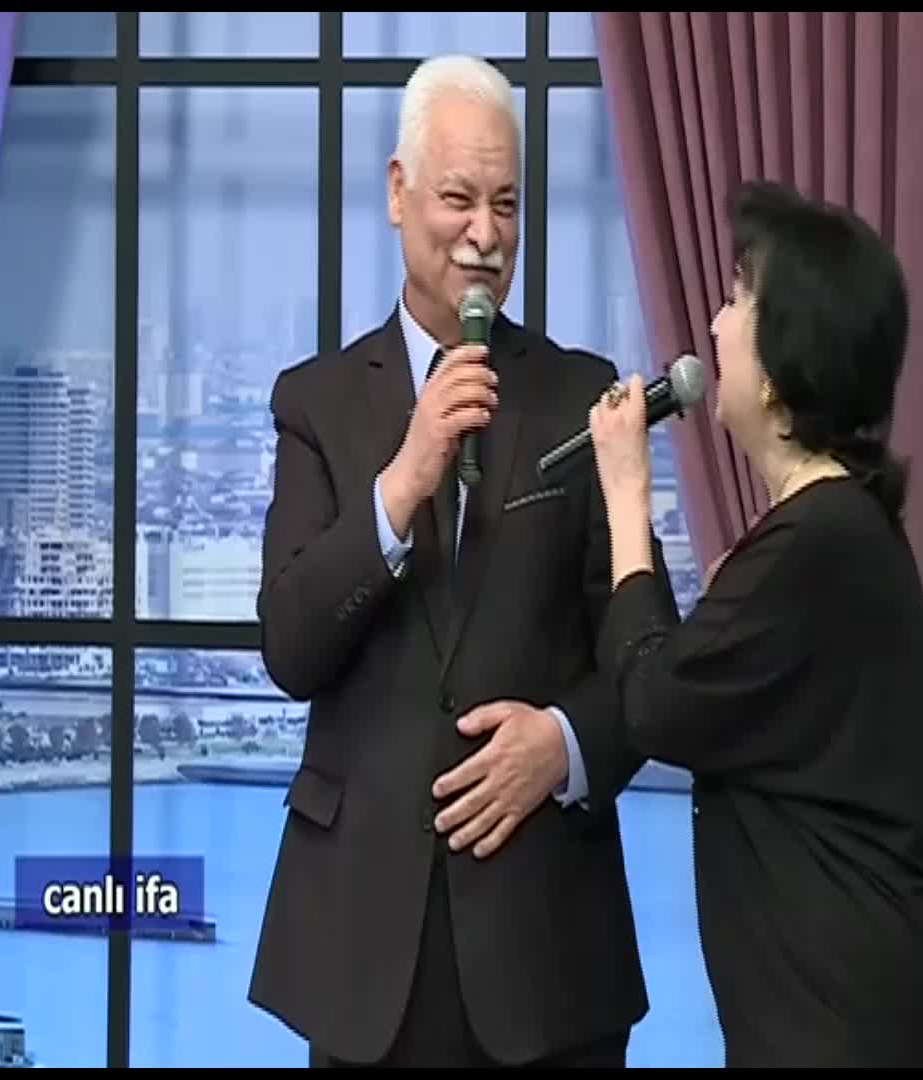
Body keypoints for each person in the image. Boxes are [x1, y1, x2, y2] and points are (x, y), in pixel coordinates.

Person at [247, 54, 673, 1068]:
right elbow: (290, 646)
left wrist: (563, 744)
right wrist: (403, 481)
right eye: (458, 200)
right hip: (365, 957)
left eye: (507, 205)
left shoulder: (580, 396)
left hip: (547, 954)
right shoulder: (317, 403)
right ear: (399, 193)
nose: (486, 234)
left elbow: (647, 661)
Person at [586, 180, 923, 1068]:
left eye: (737, 298)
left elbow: (654, 703)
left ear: (786, 362)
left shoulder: (819, 541)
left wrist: (627, 497)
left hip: (835, 1026)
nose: (714, 325)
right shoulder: (831, 532)